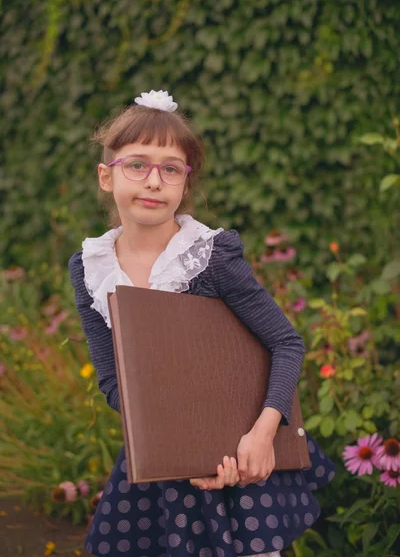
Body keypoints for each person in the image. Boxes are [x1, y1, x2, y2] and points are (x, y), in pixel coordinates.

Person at [68, 90, 336, 557]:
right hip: (162, 460)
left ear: (184, 185)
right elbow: (112, 381)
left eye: (170, 168)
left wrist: (262, 434)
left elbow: (285, 343)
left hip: (244, 453)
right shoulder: (89, 266)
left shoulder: (209, 257)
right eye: (137, 164)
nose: (154, 181)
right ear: (106, 177)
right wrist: (181, 444)